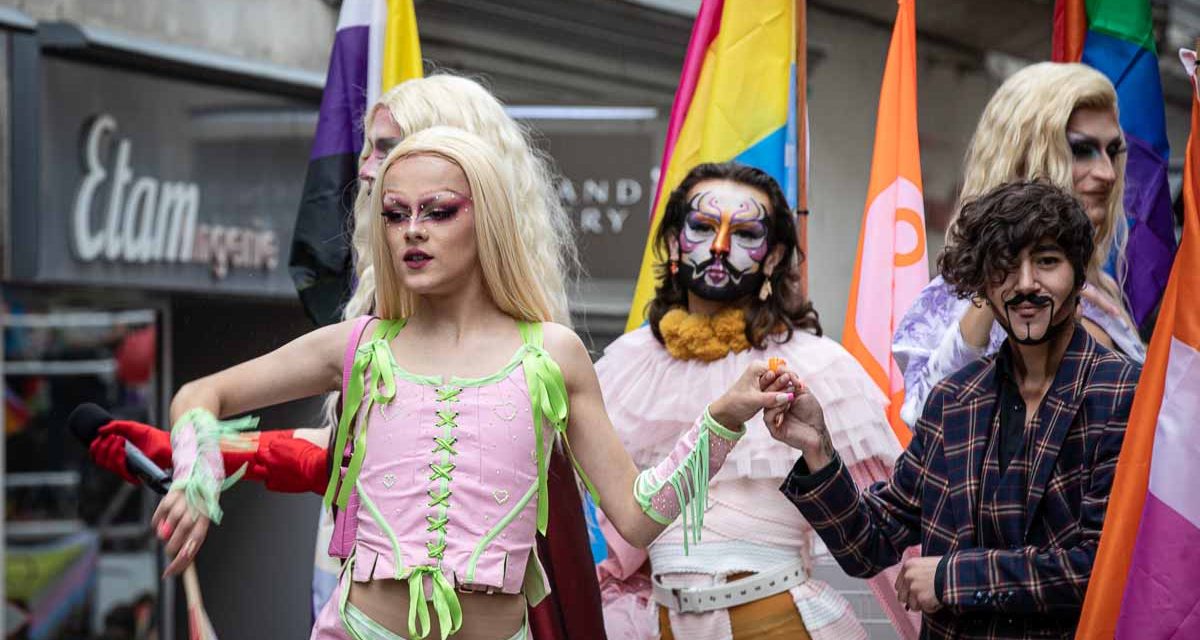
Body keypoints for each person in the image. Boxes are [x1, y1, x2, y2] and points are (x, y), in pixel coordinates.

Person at [151, 127, 799, 640]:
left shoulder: (552, 354)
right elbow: (199, 396)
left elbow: (633, 516)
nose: (413, 231)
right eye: (396, 213)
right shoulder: (357, 346)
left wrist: (725, 418)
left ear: (484, 218)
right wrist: (196, 472)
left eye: (438, 211)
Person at [87, 75, 604, 638]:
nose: (363, 167)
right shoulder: (374, 322)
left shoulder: (535, 352)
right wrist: (200, 456)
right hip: (359, 589)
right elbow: (348, 457)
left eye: (384, 147)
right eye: (370, 149)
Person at [774, 181, 1140, 639]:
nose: (1026, 283)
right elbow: (867, 545)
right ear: (983, 285)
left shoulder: (1125, 392)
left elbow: (1109, 567)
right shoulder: (954, 399)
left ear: (1078, 274)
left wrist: (953, 578)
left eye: (1047, 261)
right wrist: (817, 447)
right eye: (1006, 266)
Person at [594, 162, 904, 640]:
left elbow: (888, 543)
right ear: (675, 241)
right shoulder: (626, 367)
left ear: (775, 256)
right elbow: (623, 546)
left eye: (744, 233)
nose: (719, 247)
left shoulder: (821, 367)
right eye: (701, 227)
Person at [893, 62, 1145, 428]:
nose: (1107, 173)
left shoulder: (1101, 292)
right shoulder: (960, 302)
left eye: (1112, 151)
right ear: (1025, 153)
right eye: (1082, 150)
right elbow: (926, 423)